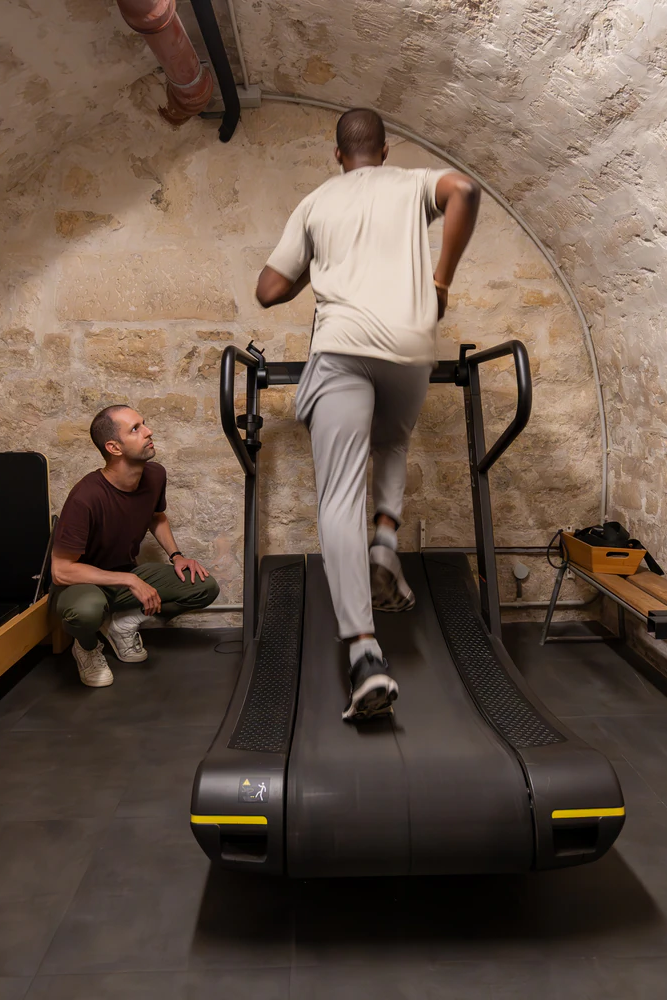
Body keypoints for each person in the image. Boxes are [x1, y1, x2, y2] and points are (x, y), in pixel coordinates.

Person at [255, 108, 480, 722]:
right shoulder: (411, 184)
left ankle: (364, 653)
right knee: (394, 442)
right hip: (410, 347)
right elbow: (465, 190)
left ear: (338, 155)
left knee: (335, 495)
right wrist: (440, 281)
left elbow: (268, 289)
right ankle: (385, 537)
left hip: (341, 348)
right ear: (384, 150)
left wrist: (314, 270)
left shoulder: (315, 202)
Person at [51, 405, 219, 687]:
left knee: (203, 586)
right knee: (86, 612)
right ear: (114, 447)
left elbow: (156, 516)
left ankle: (121, 624)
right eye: (135, 429)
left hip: (124, 578)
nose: (148, 431)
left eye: (144, 423)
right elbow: (61, 571)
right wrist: (129, 580)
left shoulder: (154, 476)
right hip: (82, 585)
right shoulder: (86, 497)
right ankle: (87, 648)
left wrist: (176, 556)